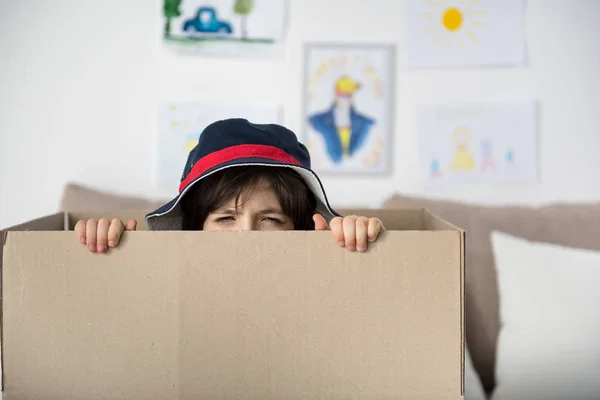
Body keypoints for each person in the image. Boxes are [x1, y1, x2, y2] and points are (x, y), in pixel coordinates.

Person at [75, 118, 385, 253]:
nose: (246, 235)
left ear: (299, 227)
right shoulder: (173, 275)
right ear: (196, 226)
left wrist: (348, 242)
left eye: (270, 219)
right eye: (225, 218)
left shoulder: (313, 261)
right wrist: (111, 247)